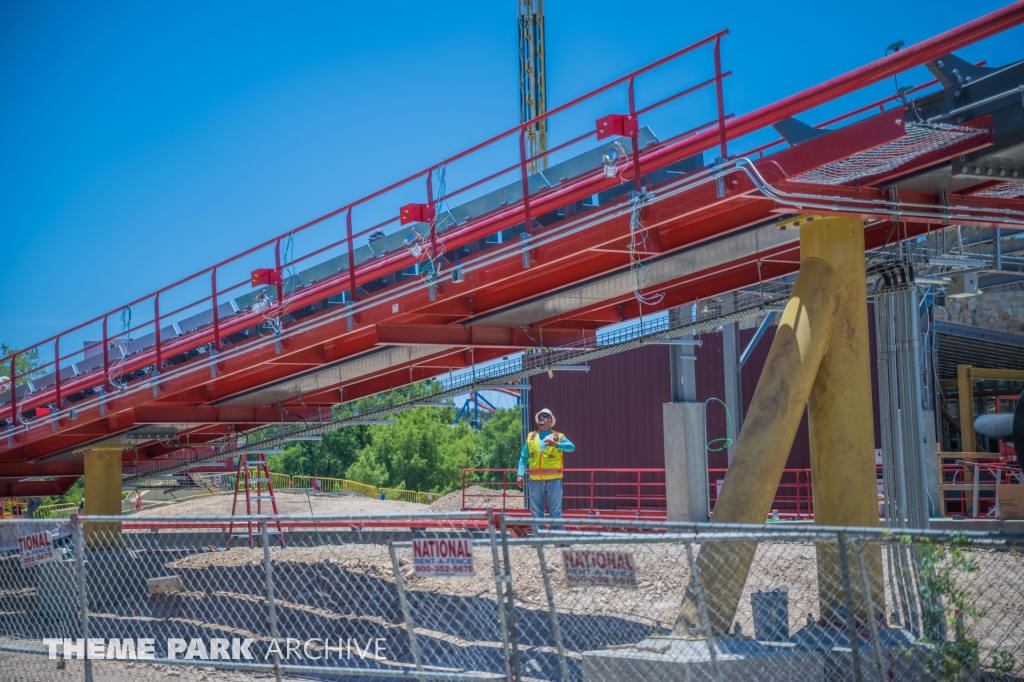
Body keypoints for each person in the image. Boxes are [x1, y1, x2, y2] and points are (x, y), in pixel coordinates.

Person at [516, 408, 575, 531]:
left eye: (544, 416)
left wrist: (557, 445)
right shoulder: (531, 437)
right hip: (535, 481)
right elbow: (523, 457)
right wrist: (520, 474)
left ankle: (558, 539)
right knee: (536, 511)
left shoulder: (558, 437)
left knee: (555, 511)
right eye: (539, 417)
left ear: (551, 420)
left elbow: (571, 447)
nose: (541, 418)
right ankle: (539, 540)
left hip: (554, 480)